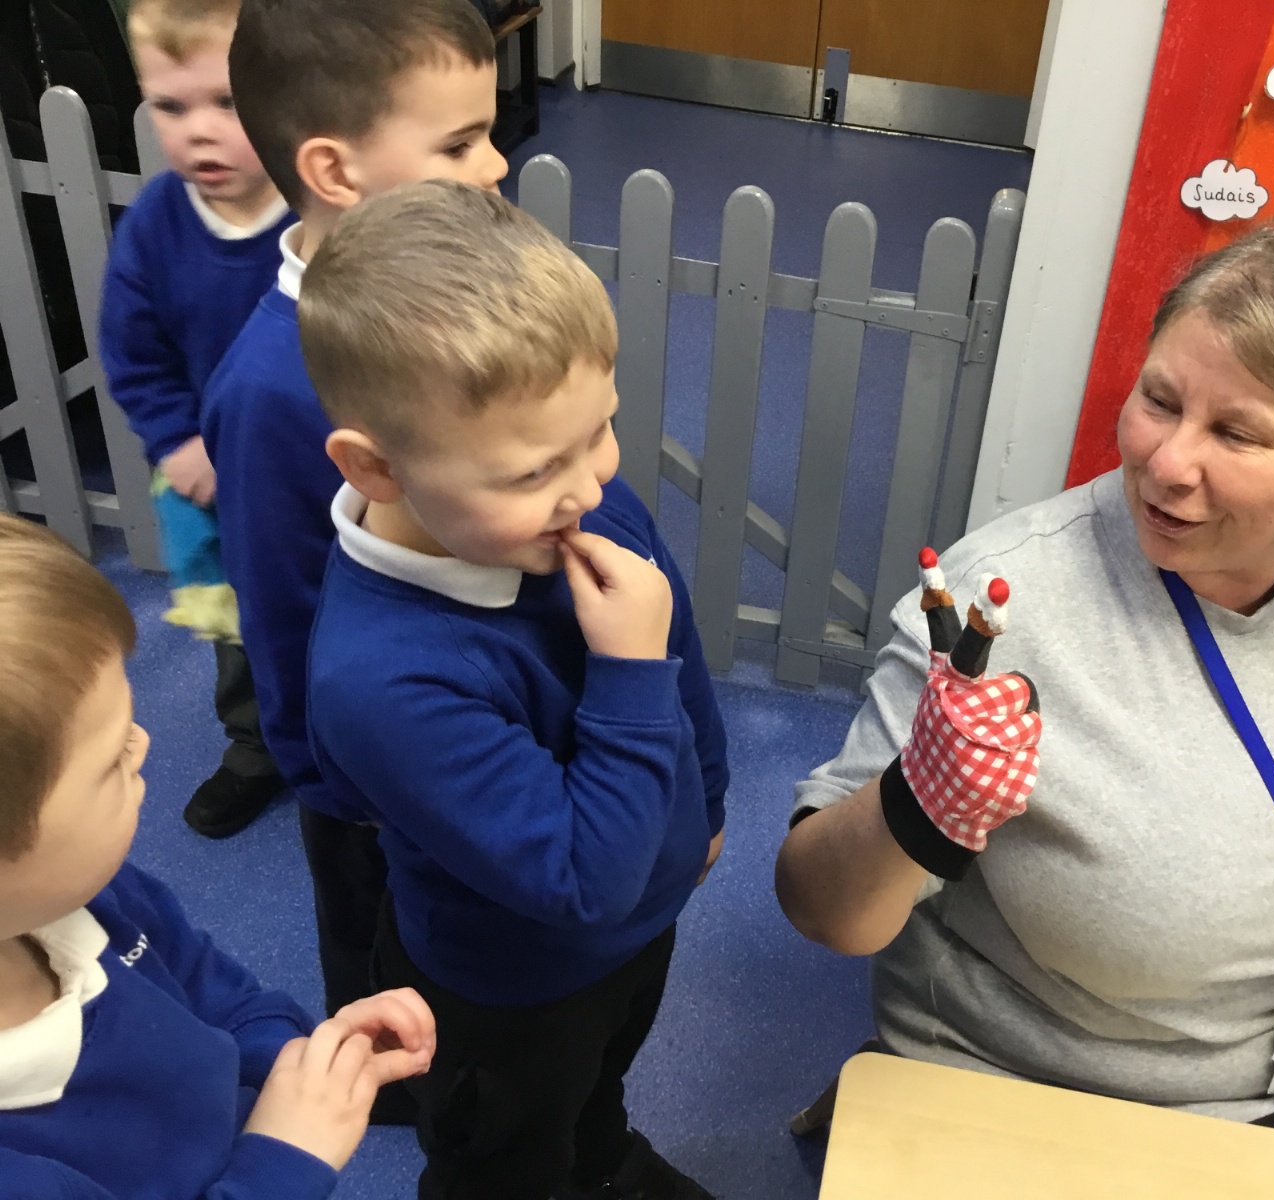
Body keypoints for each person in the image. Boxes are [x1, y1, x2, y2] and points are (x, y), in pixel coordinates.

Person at [775, 221, 1274, 1183]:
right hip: (1063, 1101)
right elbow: (826, 911)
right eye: (1158, 401)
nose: (1167, 462)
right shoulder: (999, 607)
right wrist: (917, 802)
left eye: (1237, 433)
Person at [299, 180, 728, 1200]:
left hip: (640, 924)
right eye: (536, 471)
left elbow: (681, 654)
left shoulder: (580, 504)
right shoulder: (378, 680)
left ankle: (600, 1157)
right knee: (503, 1158)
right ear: (378, 468)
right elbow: (582, 881)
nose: (591, 484)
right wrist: (627, 667)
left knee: (594, 1088)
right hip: (510, 991)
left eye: (601, 430)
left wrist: (707, 803)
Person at [197, 0, 505, 1116]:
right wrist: (334, 783)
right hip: (365, 766)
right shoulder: (273, 388)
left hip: (467, 699)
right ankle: (398, 1092)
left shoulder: (458, 288)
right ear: (334, 169)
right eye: (459, 143)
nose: (496, 165)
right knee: (382, 937)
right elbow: (277, 608)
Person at [0, 513, 436, 1198]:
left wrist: (300, 1060)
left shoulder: (88, 894)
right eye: (110, 759)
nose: (144, 744)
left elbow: (211, 989)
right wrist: (286, 1157)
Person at [100, 0, 293, 840]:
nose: (200, 132)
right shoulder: (156, 227)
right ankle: (255, 748)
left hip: (326, 475)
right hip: (218, 479)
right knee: (238, 627)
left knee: (344, 615)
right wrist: (176, 439)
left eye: (227, 102)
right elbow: (133, 351)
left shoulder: (323, 214)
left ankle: (361, 755)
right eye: (171, 107)